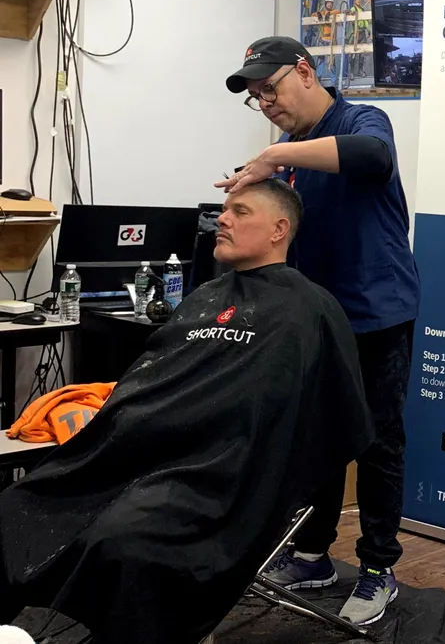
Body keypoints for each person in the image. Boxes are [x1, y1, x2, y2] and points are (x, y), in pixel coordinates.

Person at [0, 179, 373, 644]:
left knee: (126, 540)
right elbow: (153, 380)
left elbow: (338, 419)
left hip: (218, 477)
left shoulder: (311, 309)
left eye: (240, 211)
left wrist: (269, 468)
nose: (223, 219)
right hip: (136, 456)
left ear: (279, 229)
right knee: (18, 505)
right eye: (224, 210)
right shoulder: (205, 297)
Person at [219, 35, 420, 626]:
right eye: (254, 96)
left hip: (378, 312)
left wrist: (279, 158)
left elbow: (372, 159)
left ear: (304, 72)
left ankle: (379, 568)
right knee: (319, 437)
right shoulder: (289, 147)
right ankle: (313, 555)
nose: (265, 102)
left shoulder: (362, 118)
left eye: (270, 88)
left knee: (377, 441)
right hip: (318, 315)